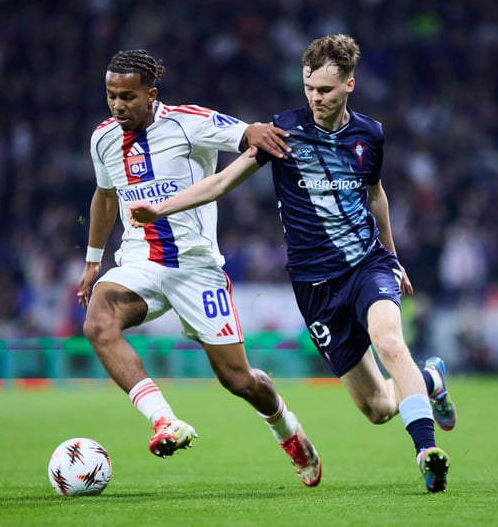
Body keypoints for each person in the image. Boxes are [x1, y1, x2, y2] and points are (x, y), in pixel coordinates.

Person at [127, 35, 456, 493]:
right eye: (309, 88)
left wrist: (393, 258)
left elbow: (376, 195)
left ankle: (426, 452)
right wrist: (161, 209)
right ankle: (430, 379)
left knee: (389, 341)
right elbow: (222, 182)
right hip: (315, 285)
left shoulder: (370, 135)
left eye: (325, 90)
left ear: (349, 85)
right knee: (379, 408)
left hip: (367, 264)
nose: (315, 98)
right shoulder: (282, 132)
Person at [77, 49, 321, 487]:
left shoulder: (189, 123)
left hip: (196, 269)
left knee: (238, 379)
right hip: (140, 262)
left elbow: (250, 134)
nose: (117, 105)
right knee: (98, 322)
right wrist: (93, 261)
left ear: (151, 95)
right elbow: (106, 196)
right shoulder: (103, 139)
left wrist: (265, 132)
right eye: (111, 95)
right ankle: (165, 420)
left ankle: (288, 430)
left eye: (128, 97)